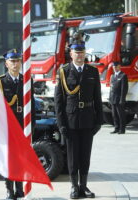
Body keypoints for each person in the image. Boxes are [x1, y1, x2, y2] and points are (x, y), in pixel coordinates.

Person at [54, 39, 103, 199]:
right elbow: (59, 101)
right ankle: (74, 187)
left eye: (82, 52)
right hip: (71, 121)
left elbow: (97, 98)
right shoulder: (64, 72)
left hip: (88, 119)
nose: (80, 55)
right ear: (71, 54)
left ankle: (84, 186)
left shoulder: (92, 72)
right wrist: (61, 124)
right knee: (73, 157)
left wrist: (99, 120)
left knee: (85, 156)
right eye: (77, 52)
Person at [0, 49, 35, 200]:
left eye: (18, 61)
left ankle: (19, 189)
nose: (15, 64)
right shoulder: (0, 81)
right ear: (6, 63)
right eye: (12, 61)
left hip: (22, 126)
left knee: (21, 159)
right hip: (7, 127)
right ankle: (9, 189)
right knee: (9, 160)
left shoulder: (26, 80)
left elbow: (31, 107)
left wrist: (32, 127)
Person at [109, 62, 128, 134]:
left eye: (116, 67)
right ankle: (116, 128)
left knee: (121, 115)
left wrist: (122, 99)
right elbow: (111, 88)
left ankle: (122, 129)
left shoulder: (123, 76)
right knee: (114, 115)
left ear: (119, 67)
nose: (114, 68)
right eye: (113, 67)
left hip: (119, 99)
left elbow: (124, 89)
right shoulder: (113, 76)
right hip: (113, 98)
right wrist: (110, 98)